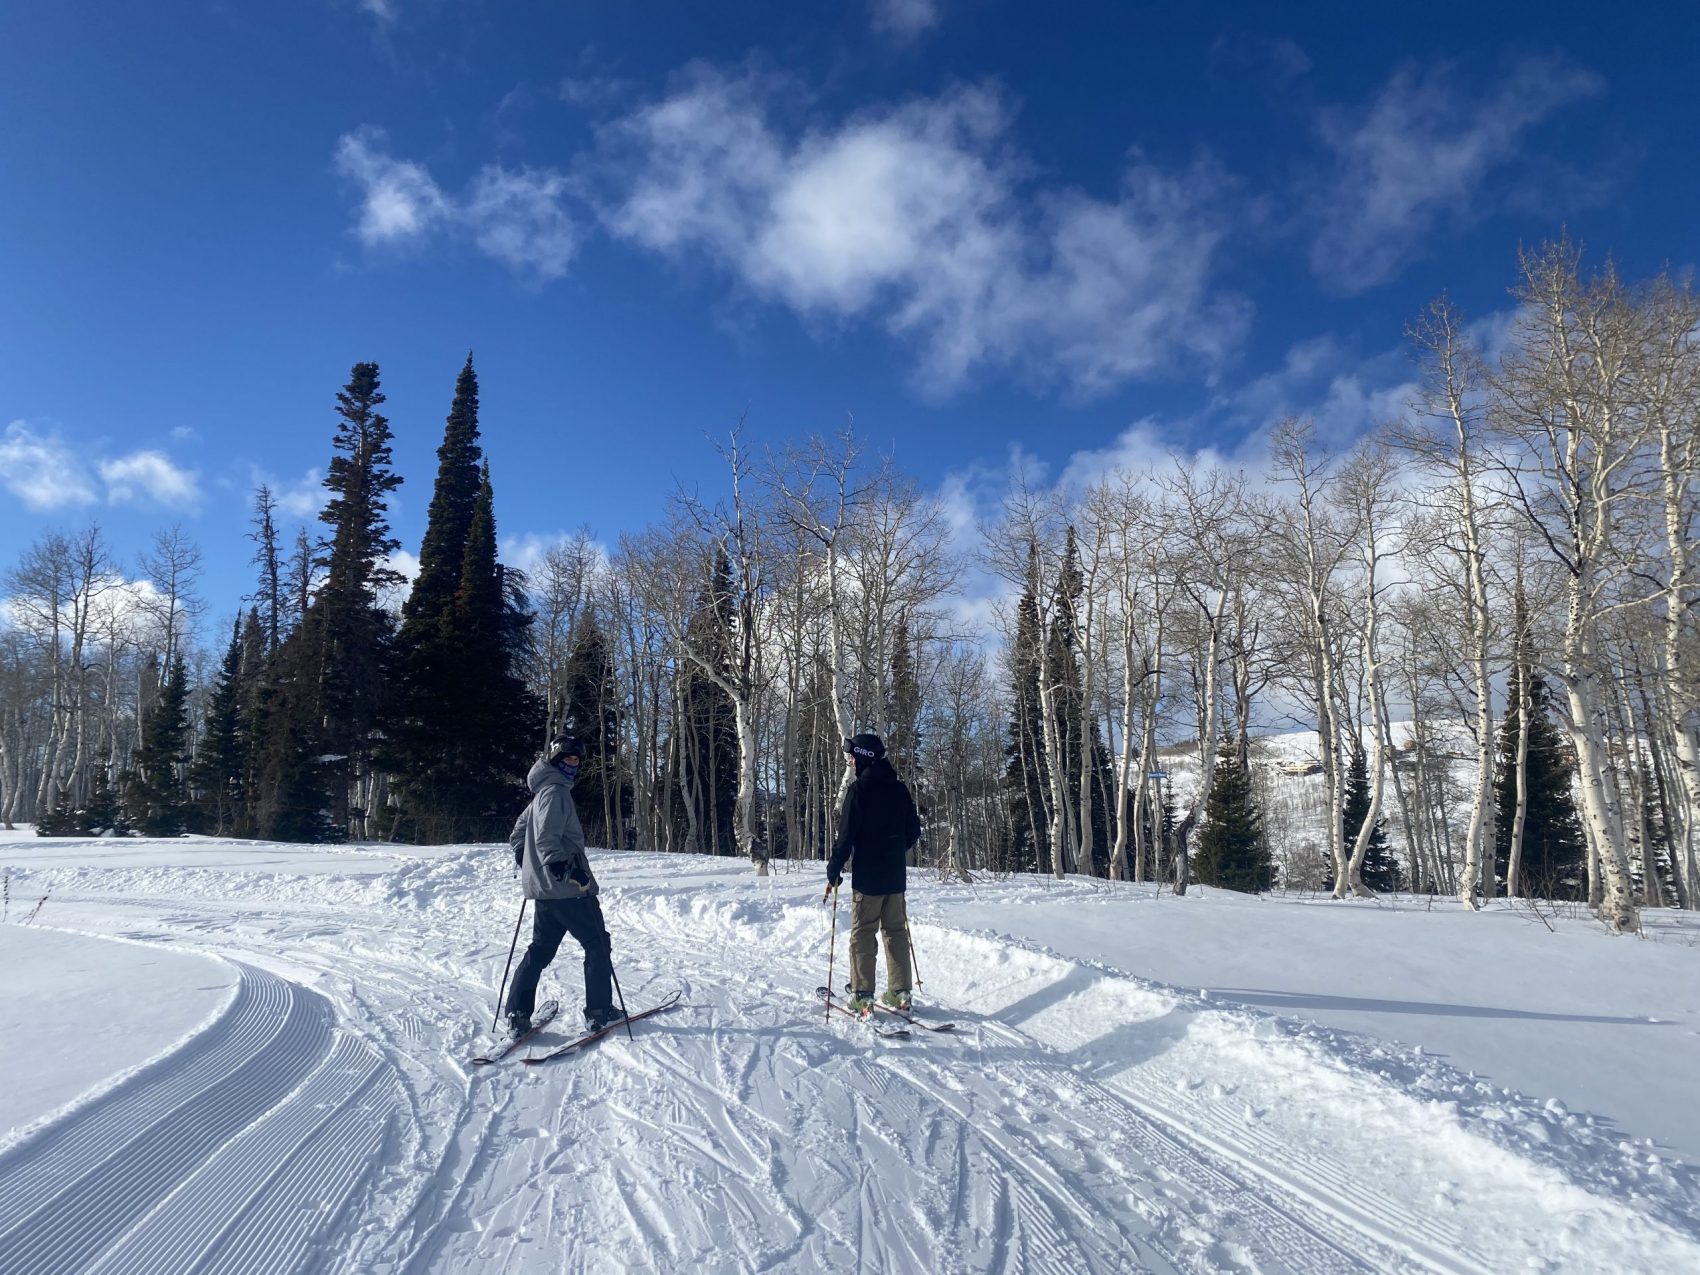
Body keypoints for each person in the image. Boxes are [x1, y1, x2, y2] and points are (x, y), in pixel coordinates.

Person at [503, 733, 622, 1037]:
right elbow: (546, 838)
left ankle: (518, 1013)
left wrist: (527, 860)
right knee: (597, 944)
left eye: (577, 759)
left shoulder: (541, 792)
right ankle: (599, 1011)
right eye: (568, 758)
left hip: (544, 890)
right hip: (568, 888)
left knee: (541, 950)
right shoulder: (555, 792)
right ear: (556, 759)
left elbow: (519, 835)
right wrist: (565, 870)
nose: (574, 764)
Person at [826, 732, 923, 1014]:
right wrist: (893, 850)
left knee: (863, 932)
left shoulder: (859, 791)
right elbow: (913, 831)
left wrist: (834, 870)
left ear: (864, 758)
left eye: (852, 757)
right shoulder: (899, 789)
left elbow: (846, 837)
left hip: (868, 879)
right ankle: (901, 992)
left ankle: (862, 995)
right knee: (895, 931)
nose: (850, 762)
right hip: (895, 877)